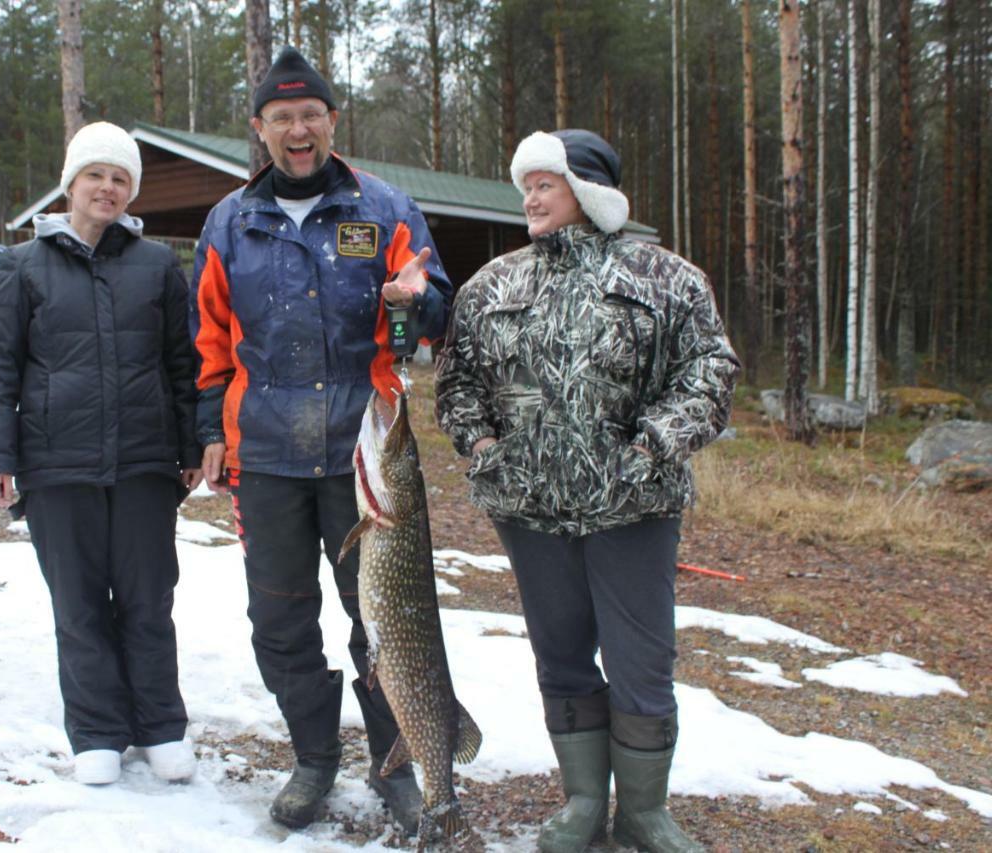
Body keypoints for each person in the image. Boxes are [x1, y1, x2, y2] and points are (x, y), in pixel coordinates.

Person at [435, 129, 739, 853]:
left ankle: (644, 810)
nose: (529, 197)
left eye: (546, 183)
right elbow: (456, 384)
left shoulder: (667, 278)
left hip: (634, 505)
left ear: (590, 191)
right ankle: (581, 801)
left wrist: (652, 443)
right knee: (562, 655)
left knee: (641, 660)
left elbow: (711, 373)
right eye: (526, 185)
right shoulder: (492, 285)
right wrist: (483, 447)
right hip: (528, 509)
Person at [189, 47, 453, 834]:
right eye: (282, 118)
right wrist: (209, 430)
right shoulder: (228, 222)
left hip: (363, 459)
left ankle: (397, 759)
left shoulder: (385, 208)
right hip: (263, 458)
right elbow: (207, 342)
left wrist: (420, 295)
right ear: (261, 129)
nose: (298, 130)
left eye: (311, 115)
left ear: (332, 121)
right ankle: (314, 755)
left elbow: (435, 305)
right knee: (279, 622)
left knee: (387, 621)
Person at [0, 121, 203, 787]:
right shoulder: (22, 266)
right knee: (78, 605)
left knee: (147, 599)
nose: (107, 187)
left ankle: (160, 726)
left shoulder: (158, 265)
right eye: (95, 174)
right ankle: (98, 731)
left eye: (120, 177)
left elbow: (181, 366)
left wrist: (188, 444)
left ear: (131, 192)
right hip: (55, 464)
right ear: (70, 182)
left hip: (144, 463)